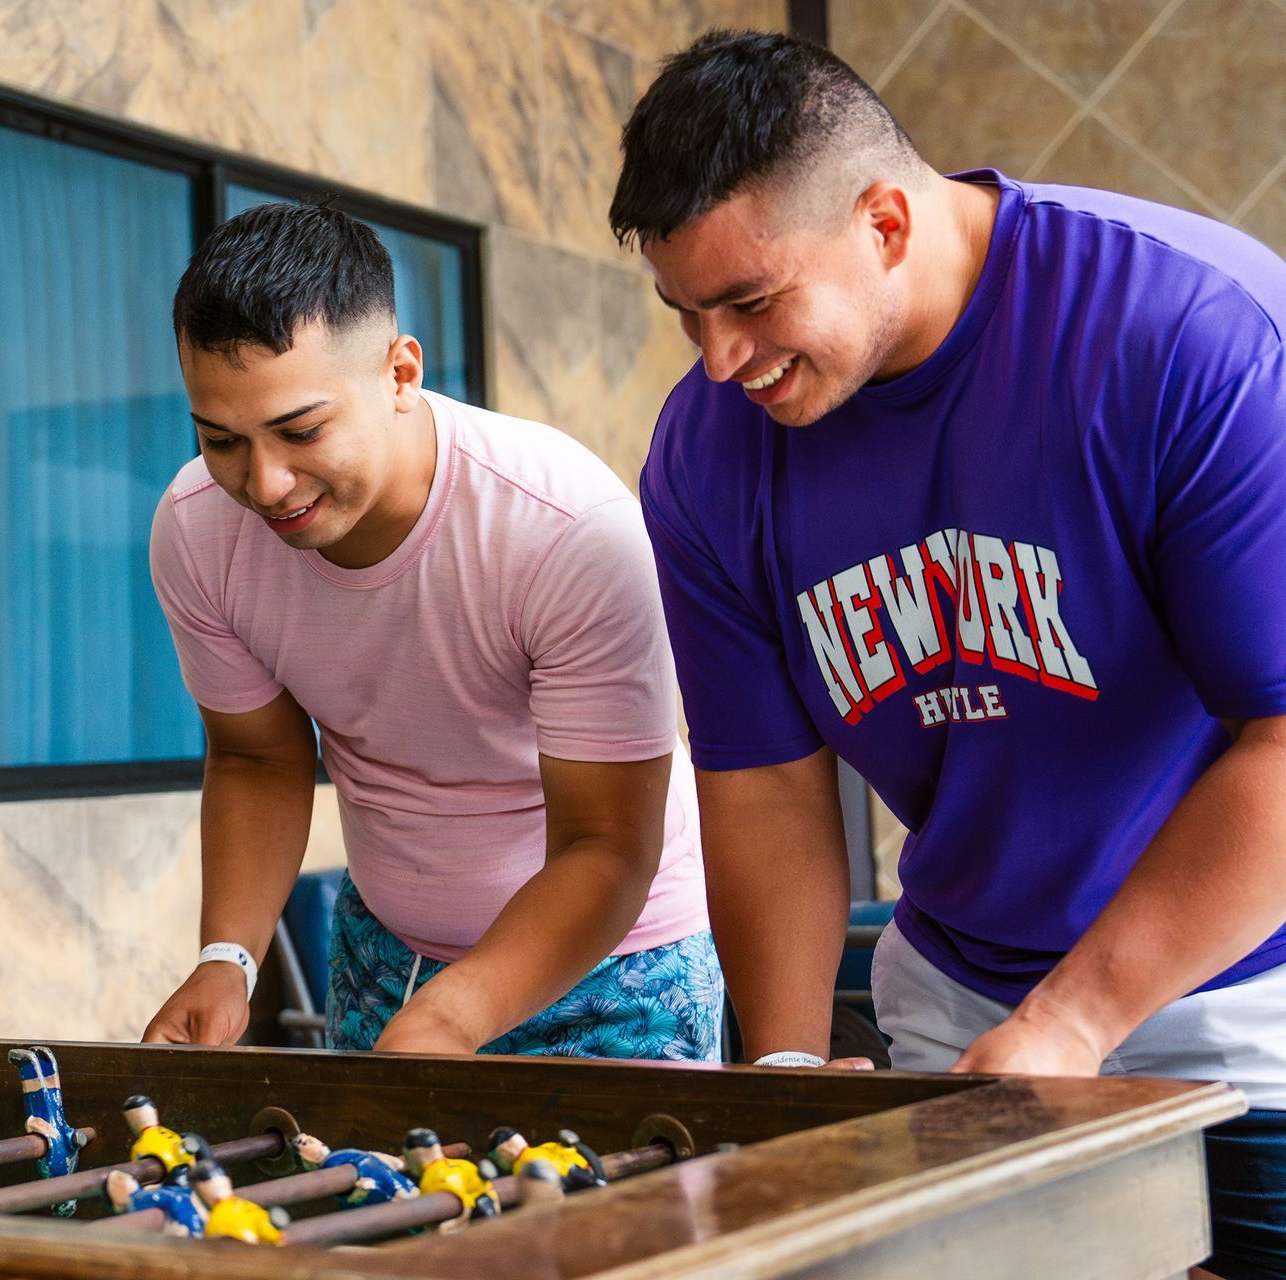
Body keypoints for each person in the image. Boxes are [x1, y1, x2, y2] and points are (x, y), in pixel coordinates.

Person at [611, 28, 1286, 1280]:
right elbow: (764, 781)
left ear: (883, 221)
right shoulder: (707, 454)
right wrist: (790, 1075)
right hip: (962, 997)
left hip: (1246, 987)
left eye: (752, 302)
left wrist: (1079, 1018)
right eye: (686, 313)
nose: (718, 359)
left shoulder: (1181, 331)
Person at [141, 201, 716, 1059]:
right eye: (221, 439)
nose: (263, 483)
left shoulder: (564, 528)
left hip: (616, 969)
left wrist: (456, 1017)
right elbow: (257, 757)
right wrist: (229, 958)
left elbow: (606, 847)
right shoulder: (195, 528)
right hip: (387, 958)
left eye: (301, 431)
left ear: (401, 374)